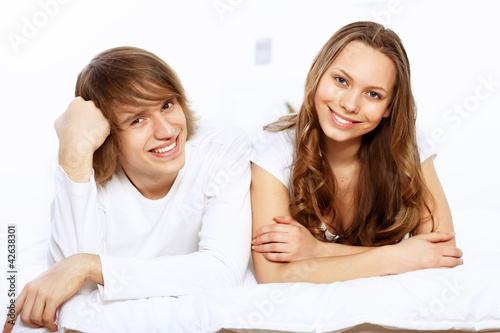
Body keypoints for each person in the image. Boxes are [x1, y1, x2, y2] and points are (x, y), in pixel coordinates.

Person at [4, 46, 251, 332]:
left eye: (167, 105)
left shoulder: (222, 150)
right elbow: (68, 290)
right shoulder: (88, 173)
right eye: (138, 119)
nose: (167, 131)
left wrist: (90, 266)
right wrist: (73, 151)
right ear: (107, 135)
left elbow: (222, 269)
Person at [250, 21, 463, 284]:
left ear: (389, 107)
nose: (349, 104)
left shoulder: (406, 142)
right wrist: (398, 257)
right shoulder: (276, 146)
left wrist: (318, 250)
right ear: (318, 74)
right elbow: (272, 275)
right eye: (341, 80)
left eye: (373, 94)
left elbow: (442, 255)